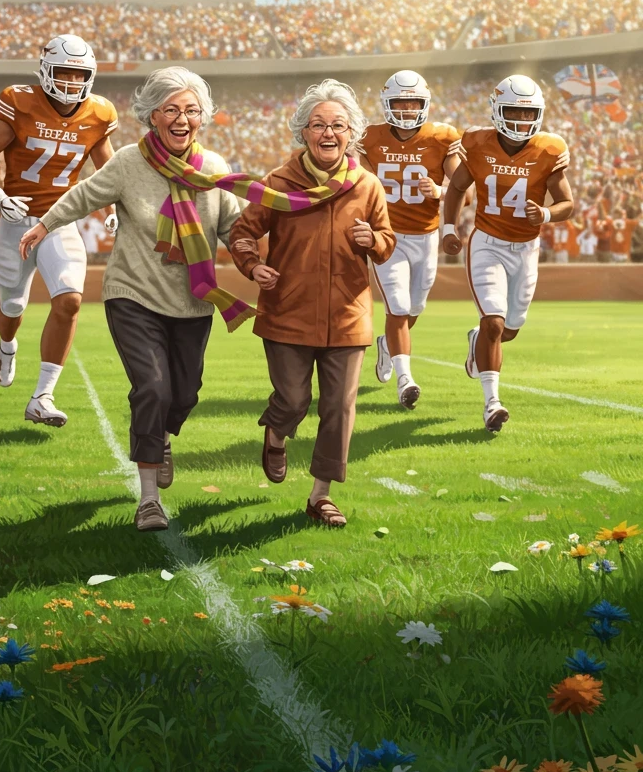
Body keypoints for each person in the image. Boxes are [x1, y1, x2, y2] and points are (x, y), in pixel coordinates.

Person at [18, 67, 242, 530]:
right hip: (132, 296)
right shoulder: (126, 162)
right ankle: (148, 500)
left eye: (192, 110)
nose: (182, 119)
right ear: (152, 116)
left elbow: (233, 227)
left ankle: (160, 436)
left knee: (184, 394)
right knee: (153, 389)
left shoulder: (216, 169)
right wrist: (45, 225)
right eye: (172, 110)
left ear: (203, 118)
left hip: (192, 301)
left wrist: (252, 252)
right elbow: (82, 195)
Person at [229, 80, 395, 527]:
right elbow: (242, 232)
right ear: (303, 132)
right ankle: (277, 433)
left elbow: (388, 241)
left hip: (348, 314)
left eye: (337, 125)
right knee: (293, 400)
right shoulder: (278, 183)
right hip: (288, 311)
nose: (328, 132)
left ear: (351, 133)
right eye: (318, 124)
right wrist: (252, 265)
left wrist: (373, 240)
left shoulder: (367, 186)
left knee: (339, 407)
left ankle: (320, 496)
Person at [0, 35, 117, 426]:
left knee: (70, 299)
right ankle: (7, 345)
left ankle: (43, 395)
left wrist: (113, 210)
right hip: (15, 220)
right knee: (12, 307)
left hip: (60, 220)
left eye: (80, 74)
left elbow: (106, 174)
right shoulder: (20, 102)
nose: (73, 82)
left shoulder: (99, 113)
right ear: (45, 71)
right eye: (65, 72)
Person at [442, 74, 573, 432]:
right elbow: (455, 190)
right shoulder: (478, 143)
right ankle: (491, 402)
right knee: (495, 323)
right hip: (487, 243)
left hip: (527, 248)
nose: (521, 120)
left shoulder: (548, 149)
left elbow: (567, 203)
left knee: (510, 329)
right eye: (513, 111)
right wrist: (450, 229)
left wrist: (544, 213)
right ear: (497, 111)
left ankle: (477, 340)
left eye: (528, 113)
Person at [358, 70, 459, 408]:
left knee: (415, 307)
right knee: (398, 307)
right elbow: (355, 184)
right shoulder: (370, 137)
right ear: (387, 104)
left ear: (424, 104)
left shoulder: (443, 138)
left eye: (412, 102)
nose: (405, 109)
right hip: (387, 237)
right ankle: (406, 380)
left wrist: (442, 191)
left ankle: (387, 344)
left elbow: (467, 193)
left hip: (426, 237)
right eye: (399, 102)